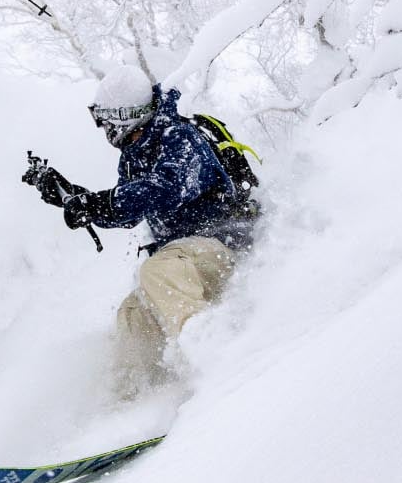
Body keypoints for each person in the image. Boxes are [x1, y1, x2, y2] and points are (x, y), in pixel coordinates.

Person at [26, 66, 257, 399]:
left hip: (223, 246)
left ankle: (218, 359)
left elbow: (164, 190)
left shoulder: (179, 137)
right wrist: (70, 195)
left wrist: (95, 203)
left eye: (105, 120)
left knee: (157, 271)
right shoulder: (134, 157)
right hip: (184, 260)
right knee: (132, 313)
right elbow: (126, 211)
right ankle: (132, 402)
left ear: (124, 116)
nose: (103, 128)